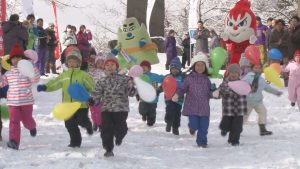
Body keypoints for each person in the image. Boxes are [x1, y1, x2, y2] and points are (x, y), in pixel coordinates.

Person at [37, 50, 95, 148]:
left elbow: (92, 87)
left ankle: (87, 125)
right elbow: (55, 83)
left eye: (74, 61)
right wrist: (45, 87)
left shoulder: (83, 75)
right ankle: (75, 142)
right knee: (69, 125)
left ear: (79, 63)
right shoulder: (64, 75)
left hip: (81, 105)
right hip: (67, 106)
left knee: (81, 120)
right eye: (70, 61)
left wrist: (92, 98)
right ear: (67, 63)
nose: (72, 63)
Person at [89, 54, 136, 157]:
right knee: (106, 129)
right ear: (104, 67)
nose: (110, 67)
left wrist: (131, 88)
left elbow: (131, 93)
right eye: (107, 65)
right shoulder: (102, 81)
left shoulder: (124, 79)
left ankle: (119, 136)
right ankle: (108, 148)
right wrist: (92, 100)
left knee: (121, 128)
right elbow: (97, 92)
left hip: (121, 109)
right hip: (106, 109)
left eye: (112, 64)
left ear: (117, 66)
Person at [0, 43, 40, 150]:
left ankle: (32, 126)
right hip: (12, 103)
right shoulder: (8, 73)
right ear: (11, 60)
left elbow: (35, 79)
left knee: (27, 121)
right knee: (14, 121)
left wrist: (32, 69)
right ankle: (14, 141)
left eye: (19, 57)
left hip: (26, 102)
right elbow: (2, 83)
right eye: (14, 58)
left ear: (23, 59)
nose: (16, 60)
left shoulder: (27, 71)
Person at [173, 52, 212, 147]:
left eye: (202, 65)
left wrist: (215, 94)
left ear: (205, 67)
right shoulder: (189, 78)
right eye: (197, 65)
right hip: (192, 107)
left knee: (204, 127)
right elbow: (182, 89)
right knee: (194, 125)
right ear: (194, 66)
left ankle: (202, 142)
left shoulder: (207, 80)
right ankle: (192, 128)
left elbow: (209, 92)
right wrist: (177, 95)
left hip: (204, 109)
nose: (200, 67)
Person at [243, 63, 282, 136]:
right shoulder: (247, 77)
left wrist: (276, 92)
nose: (257, 70)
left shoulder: (261, 79)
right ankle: (237, 129)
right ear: (252, 69)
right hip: (248, 101)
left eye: (259, 68)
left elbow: (267, 88)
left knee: (263, 112)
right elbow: (241, 86)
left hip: (258, 101)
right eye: (255, 68)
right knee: (244, 116)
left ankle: (262, 129)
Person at [214, 64, 247, 146]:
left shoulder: (243, 83)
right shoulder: (225, 83)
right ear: (228, 74)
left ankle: (234, 140)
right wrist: (217, 94)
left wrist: (252, 89)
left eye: (236, 73)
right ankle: (224, 129)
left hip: (239, 110)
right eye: (231, 72)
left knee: (237, 127)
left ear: (239, 74)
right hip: (228, 110)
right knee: (225, 124)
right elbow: (220, 92)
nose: (233, 74)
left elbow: (248, 90)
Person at [138, 60, 164, 126]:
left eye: (145, 67)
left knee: (152, 113)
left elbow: (163, 79)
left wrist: (160, 89)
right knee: (142, 110)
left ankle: (151, 121)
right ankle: (144, 114)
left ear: (149, 68)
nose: (143, 68)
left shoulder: (154, 76)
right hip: (143, 98)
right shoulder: (139, 77)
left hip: (153, 99)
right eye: (142, 67)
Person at [88, 53, 106, 131]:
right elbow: (87, 79)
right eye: (98, 63)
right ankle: (94, 122)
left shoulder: (106, 72)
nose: (100, 65)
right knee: (93, 110)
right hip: (93, 94)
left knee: (99, 110)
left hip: (102, 95)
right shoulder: (92, 72)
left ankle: (100, 124)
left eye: (102, 63)